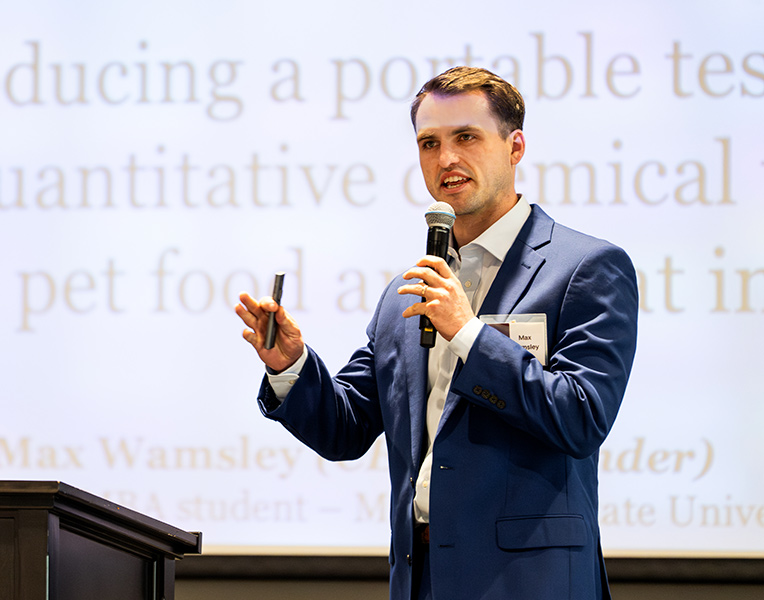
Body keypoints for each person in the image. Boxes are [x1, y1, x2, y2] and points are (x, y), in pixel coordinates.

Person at [235, 66, 638, 600]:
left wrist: (468, 334)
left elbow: (581, 417)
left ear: (515, 147)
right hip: (421, 578)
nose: (446, 158)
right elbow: (347, 428)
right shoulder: (408, 291)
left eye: (465, 137)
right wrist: (290, 366)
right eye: (430, 142)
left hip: (528, 583)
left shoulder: (585, 268)